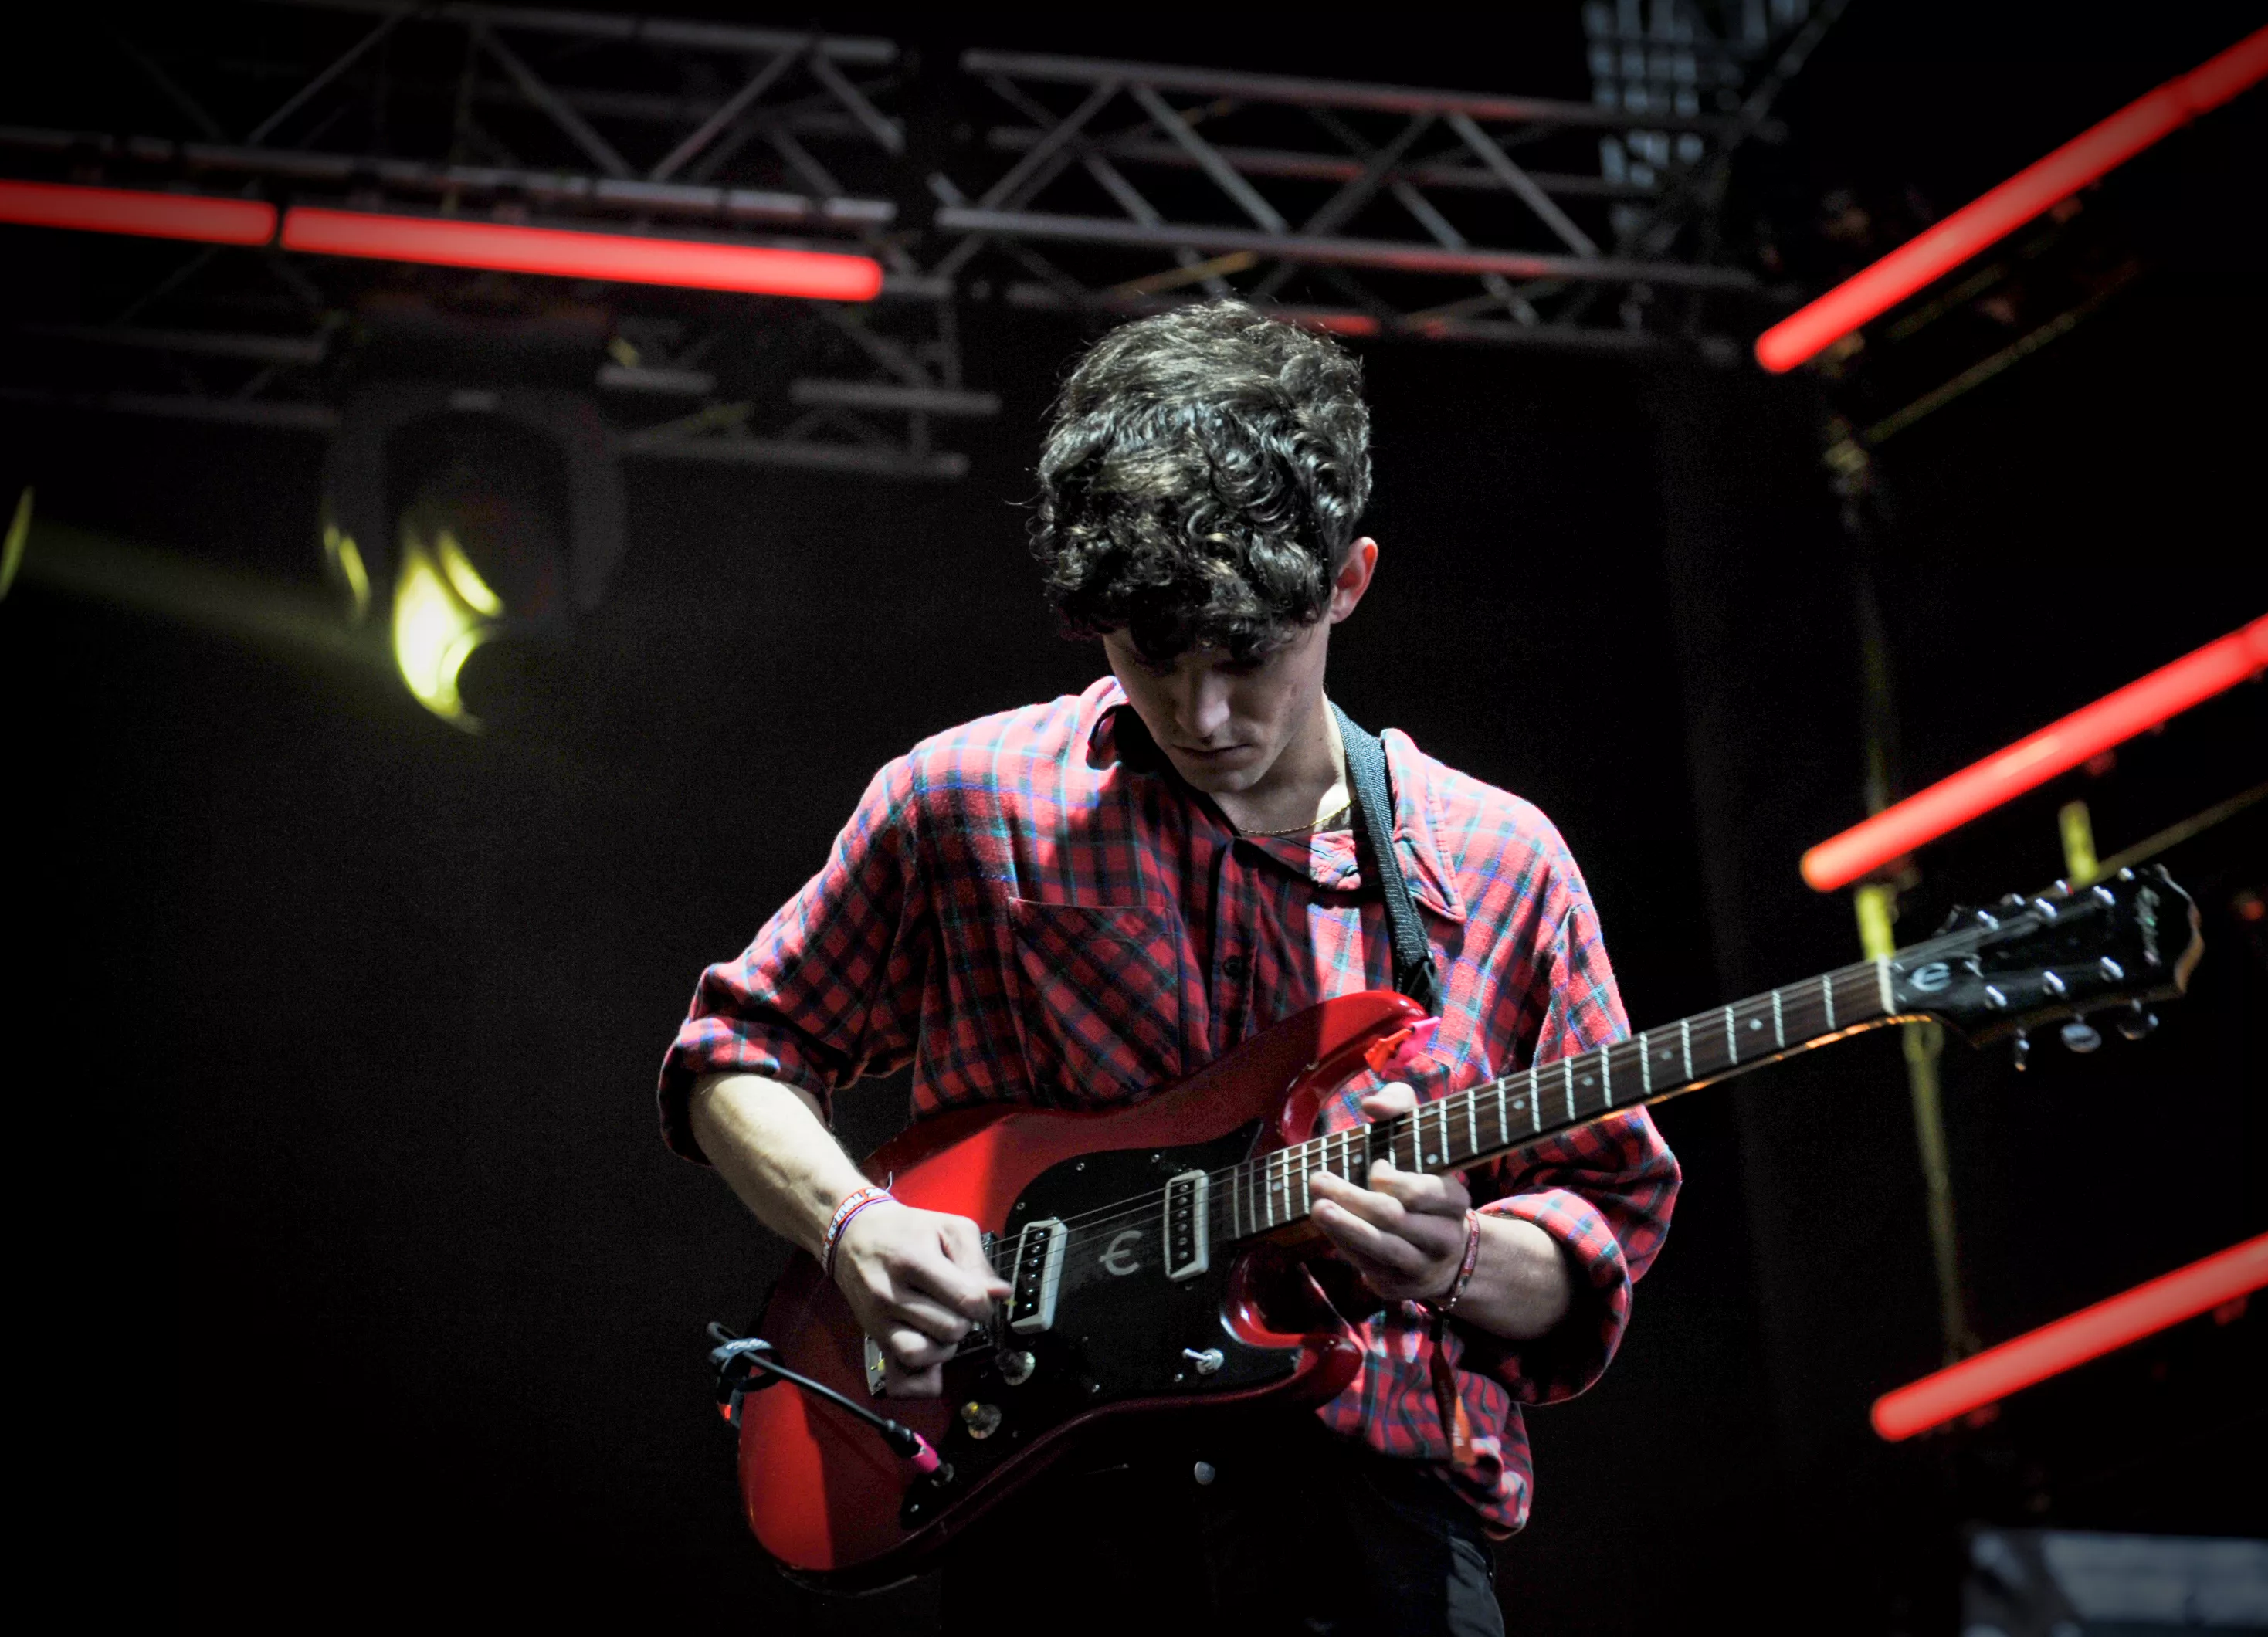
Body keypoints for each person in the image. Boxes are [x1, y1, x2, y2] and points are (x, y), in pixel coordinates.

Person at [656, 300, 1680, 1635]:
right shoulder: (966, 800)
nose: (1205, 716)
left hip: (1373, 1550)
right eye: (1154, 657)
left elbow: (1603, 1217)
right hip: (1053, 1530)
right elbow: (733, 1054)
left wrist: (1461, 1255)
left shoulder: (1499, 860)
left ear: (1349, 582)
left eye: (1249, 657)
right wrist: (855, 1230)